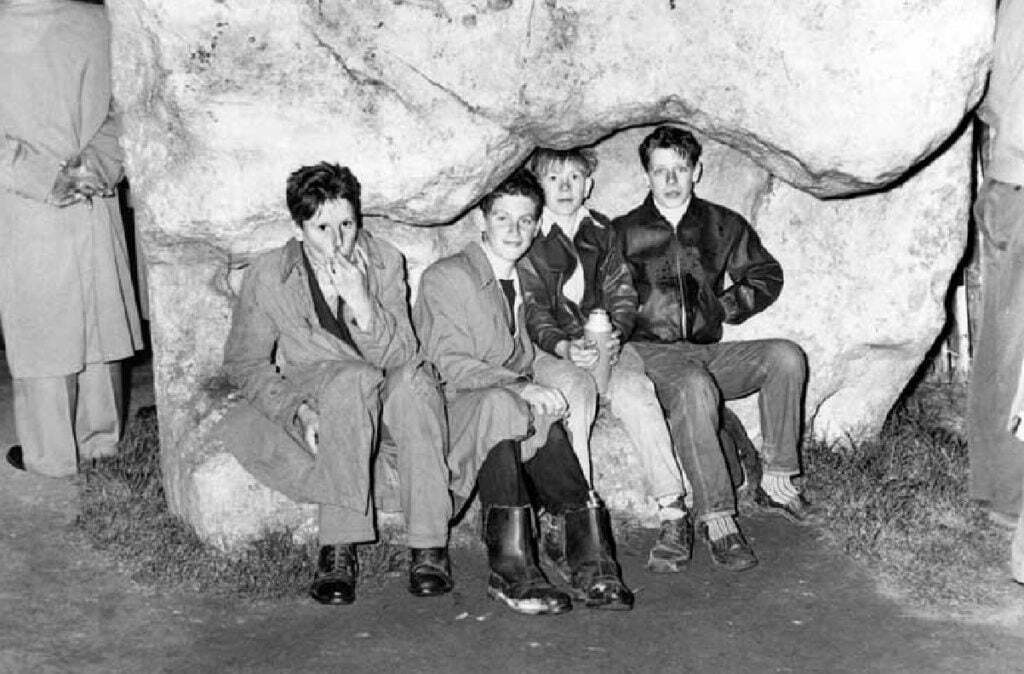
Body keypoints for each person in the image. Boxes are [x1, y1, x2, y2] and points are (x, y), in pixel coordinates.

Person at [220, 163, 452, 605]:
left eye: (347, 224)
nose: (338, 240)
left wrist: (361, 300)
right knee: (350, 382)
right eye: (322, 227)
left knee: (416, 386)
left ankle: (428, 545)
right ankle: (338, 548)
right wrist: (298, 410)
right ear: (299, 227)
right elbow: (245, 363)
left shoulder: (383, 260)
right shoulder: (270, 274)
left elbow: (402, 354)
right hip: (325, 390)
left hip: (386, 381)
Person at [414, 169, 634, 614]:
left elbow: (529, 354)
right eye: (502, 219)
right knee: (507, 406)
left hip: (502, 406)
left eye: (525, 220)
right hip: (454, 411)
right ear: (483, 220)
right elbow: (446, 362)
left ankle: (591, 563)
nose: (515, 231)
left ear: (537, 225)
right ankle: (511, 570)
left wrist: (570, 359)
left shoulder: (520, 282)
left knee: (541, 416)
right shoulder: (448, 277)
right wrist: (522, 387)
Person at [612, 125, 809, 572]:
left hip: (707, 350)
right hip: (654, 355)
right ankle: (718, 518)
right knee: (695, 386)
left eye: (680, 169)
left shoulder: (722, 224)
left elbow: (765, 275)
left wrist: (724, 307)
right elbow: (606, 297)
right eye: (660, 171)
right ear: (647, 175)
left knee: (785, 356)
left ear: (696, 171)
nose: (670, 180)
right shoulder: (623, 233)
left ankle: (777, 479)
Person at [517, 147, 692, 573]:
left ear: (588, 186)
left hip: (604, 343)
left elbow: (622, 291)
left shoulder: (601, 231)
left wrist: (617, 331)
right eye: (553, 179)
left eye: (573, 179)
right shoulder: (530, 237)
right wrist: (562, 346)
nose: (564, 188)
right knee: (576, 394)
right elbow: (535, 306)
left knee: (636, 388)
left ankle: (673, 510)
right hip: (552, 349)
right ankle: (574, 514)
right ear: (539, 187)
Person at [0, 0, 142, 476]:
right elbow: (129, 108)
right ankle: (101, 443)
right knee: (98, 321)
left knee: (41, 325)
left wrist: (43, 176)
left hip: (26, 201)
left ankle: (53, 455)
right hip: (93, 193)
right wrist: (96, 167)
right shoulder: (101, 20)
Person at [970, 0, 1024, 531]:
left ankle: (996, 486)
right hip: (1022, 186)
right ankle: (1011, 496)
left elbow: (988, 101)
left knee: (1004, 343)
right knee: (1013, 350)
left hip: (1008, 183)